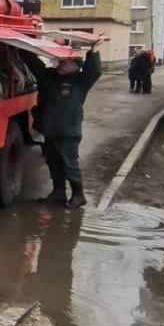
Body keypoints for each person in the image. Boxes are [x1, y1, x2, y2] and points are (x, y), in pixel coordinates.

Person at [35, 39, 103, 208]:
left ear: (75, 66)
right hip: (49, 129)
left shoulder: (80, 81)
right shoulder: (50, 78)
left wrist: (93, 51)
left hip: (67, 132)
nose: (60, 64)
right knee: (53, 162)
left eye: (65, 62)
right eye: (60, 61)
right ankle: (58, 193)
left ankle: (78, 195)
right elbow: (35, 67)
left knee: (69, 164)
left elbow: (94, 71)